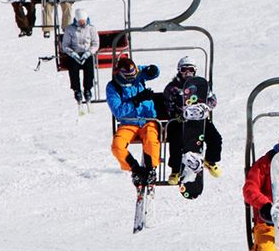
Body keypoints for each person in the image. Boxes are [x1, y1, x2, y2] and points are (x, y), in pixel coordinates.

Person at [159, 57, 224, 178]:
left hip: (199, 120)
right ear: (179, 70)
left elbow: (212, 100)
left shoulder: (202, 86)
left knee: (215, 138)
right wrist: (176, 114)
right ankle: (175, 170)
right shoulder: (173, 88)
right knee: (176, 141)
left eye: (190, 69)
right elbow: (168, 105)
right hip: (180, 121)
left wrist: (205, 108)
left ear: (195, 71)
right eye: (184, 69)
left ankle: (210, 160)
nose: (187, 72)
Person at [105, 56, 163, 184]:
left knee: (151, 139)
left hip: (147, 119)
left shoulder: (137, 74)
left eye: (134, 75)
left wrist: (152, 70)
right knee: (117, 146)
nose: (133, 78)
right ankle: (135, 168)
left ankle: (151, 168)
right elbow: (118, 111)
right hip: (128, 123)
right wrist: (136, 100)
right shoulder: (113, 87)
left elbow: (150, 72)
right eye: (129, 76)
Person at [59, 10, 99, 104]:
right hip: (75, 53)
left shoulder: (91, 29)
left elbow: (95, 43)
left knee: (89, 66)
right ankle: (76, 90)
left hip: (86, 53)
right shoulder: (70, 29)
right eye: (80, 21)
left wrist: (88, 53)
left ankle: (88, 89)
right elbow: (65, 45)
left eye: (83, 21)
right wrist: (72, 53)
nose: (82, 23)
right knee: (73, 67)